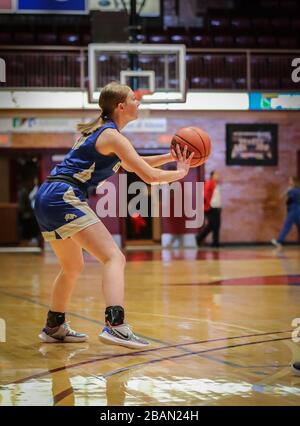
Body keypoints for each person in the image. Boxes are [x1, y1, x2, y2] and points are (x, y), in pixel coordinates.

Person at [34, 82, 194, 349]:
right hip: (64, 196)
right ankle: (115, 326)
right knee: (114, 257)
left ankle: (54, 325)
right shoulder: (112, 136)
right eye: (134, 98)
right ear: (121, 106)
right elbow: (149, 176)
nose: (139, 102)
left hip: (48, 196)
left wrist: (170, 156)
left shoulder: (103, 133)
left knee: (73, 266)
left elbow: (135, 164)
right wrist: (180, 173)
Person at [271, 176, 300, 249]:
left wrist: (287, 190)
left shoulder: (293, 190)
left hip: (294, 210)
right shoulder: (296, 190)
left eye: (290, 180)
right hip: (296, 210)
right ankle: (279, 242)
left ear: (294, 182)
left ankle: (279, 242)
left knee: (287, 226)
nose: (289, 182)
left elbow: (281, 197)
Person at [196, 170, 222, 248]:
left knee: (214, 225)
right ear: (212, 175)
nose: (218, 176)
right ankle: (213, 243)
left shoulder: (216, 184)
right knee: (213, 225)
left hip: (217, 207)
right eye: (216, 174)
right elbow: (205, 194)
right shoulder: (209, 183)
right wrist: (208, 205)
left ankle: (213, 242)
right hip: (211, 207)